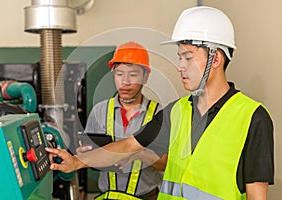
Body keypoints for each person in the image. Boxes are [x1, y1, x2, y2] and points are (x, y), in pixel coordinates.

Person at [46, 6, 274, 200]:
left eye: (188, 57)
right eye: (179, 57)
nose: (180, 66)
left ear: (215, 59)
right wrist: (76, 162)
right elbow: (127, 146)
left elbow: (256, 194)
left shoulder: (253, 117)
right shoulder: (176, 111)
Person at [80, 41, 166, 200]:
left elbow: (165, 164)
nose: (125, 82)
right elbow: (90, 155)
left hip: (147, 196)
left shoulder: (159, 114)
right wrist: (83, 156)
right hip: (107, 196)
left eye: (133, 75)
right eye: (119, 74)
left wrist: (141, 154)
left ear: (145, 77)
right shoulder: (99, 111)